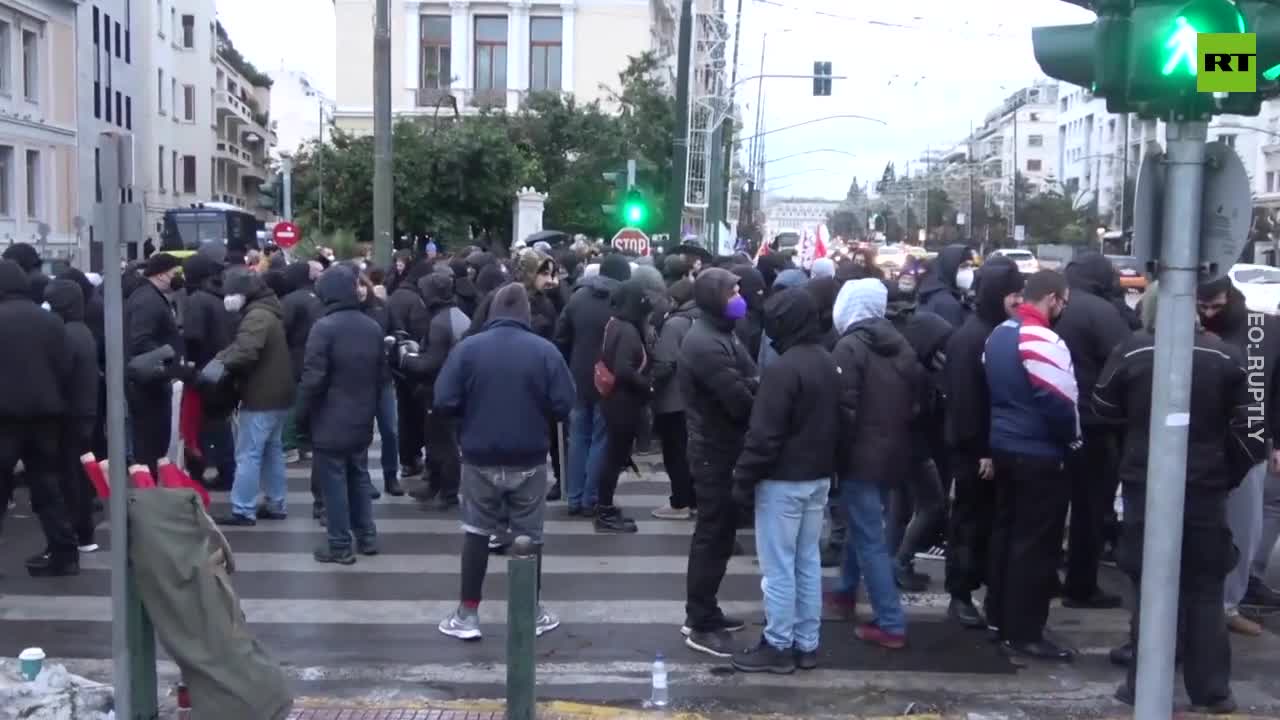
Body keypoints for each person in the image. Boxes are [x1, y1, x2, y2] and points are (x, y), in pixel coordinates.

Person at [1096, 282, 1264, 713]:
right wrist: (1224, 474)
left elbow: (1101, 410)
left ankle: (1142, 685)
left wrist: (1129, 454)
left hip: (1144, 486)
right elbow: (1253, 432)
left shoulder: (1132, 352)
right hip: (1205, 489)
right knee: (1206, 590)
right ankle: (1212, 691)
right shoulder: (1227, 356)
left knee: (1149, 586)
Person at [434, 283, 575, 640]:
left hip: (479, 455)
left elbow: (444, 399)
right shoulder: (545, 352)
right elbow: (563, 405)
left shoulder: (468, 349)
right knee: (529, 536)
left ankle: (468, 614)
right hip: (529, 456)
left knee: (477, 533)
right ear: (526, 314)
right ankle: (531, 612)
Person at [729, 288, 840, 674]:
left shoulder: (782, 369)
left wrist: (743, 480)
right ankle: (806, 643)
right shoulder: (827, 361)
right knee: (806, 562)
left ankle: (778, 644)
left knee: (778, 568)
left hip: (782, 480)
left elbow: (764, 436)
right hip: (817, 477)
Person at [984, 269, 1079, 661]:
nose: (1063, 310)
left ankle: (998, 616)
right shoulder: (1041, 338)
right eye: (1063, 302)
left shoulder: (999, 334)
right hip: (1039, 453)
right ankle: (1025, 631)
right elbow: (1059, 401)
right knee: (1035, 545)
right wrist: (1073, 440)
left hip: (1004, 445)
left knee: (1005, 533)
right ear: (1053, 298)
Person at [828, 278, 917, 649]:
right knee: (862, 525)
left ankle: (890, 622)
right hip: (891, 452)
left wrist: (834, 454)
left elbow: (842, 410)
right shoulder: (899, 343)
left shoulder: (848, 347)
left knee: (869, 537)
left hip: (859, 455)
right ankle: (845, 592)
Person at [942, 257, 1024, 629]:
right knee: (968, 524)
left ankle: (988, 587)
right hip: (975, 451)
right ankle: (960, 593)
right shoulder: (972, 337)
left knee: (989, 523)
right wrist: (980, 451)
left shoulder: (1000, 330)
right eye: (1012, 295)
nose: (1018, 302)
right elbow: (965, 402)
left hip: (997, 445)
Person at [679, 268, 758, 658]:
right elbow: (740, 399)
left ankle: (707, 609)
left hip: (725, 448)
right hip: (714, 452)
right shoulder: (705, 343)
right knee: (712, 535)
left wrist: (753, 384)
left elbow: (751, 378)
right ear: (713, 296)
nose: (739, 296)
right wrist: (754, 388)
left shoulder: (723, 333)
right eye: (733, 291)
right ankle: (699, 620)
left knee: (722, 534)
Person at [1053, 251, 1132, 610]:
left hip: (1052, 421)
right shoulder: (1102, 313)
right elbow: (1125, 364)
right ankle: (1081, 585)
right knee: (1090, 509)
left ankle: (1045, 575)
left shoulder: (1053, 304)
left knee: (1050, 506)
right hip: (1096, 426)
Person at [296, 267, 387, 564]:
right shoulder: (371, 326)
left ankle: (339, 545)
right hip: (362, 415)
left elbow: (313, 378)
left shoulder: (324, 328)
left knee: (333, 481)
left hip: (330, 416)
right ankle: (367, 536)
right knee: (359, 476)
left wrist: (301, 415)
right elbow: (380, 375)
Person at [0, 261, 76, 575]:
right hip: (47, 416)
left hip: (3, 417)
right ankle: (64, 552)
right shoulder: (50, 321)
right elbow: (65, 366)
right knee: (46, 484)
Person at [210, 269, 295, 526]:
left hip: (261, 394)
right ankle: (276, 503)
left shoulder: (256, 316)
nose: (228, 299)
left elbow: (245, 352)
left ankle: (242, 508)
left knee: (248, 453)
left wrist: (217, 364)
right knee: (272, 451)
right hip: (278, 394)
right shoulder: (268, 312)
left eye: (232, 293)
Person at [884, 280, 952, 592]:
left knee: (900, 508)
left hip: (899, 445)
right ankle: (899, 562)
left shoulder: (900, 358)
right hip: (913, 447)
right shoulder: (918, 373)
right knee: (932, 504)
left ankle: (894, 563)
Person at [554, 253, 631, 516]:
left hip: (578, 378)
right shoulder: (621, 302)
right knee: (601, 438)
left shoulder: (577, 297)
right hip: (608, 380)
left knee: (577, 438)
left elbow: (561, 336)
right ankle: (591, 497)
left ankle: (573, 498)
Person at [592, 279, 654, 533]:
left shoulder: (614, 323)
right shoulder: (628, 330)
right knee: (614, 458)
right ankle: (605, 510)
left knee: (613, 456)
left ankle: (605, 505)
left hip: (613, 402)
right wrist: (648, 386)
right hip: (623, 404)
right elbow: (624, 370)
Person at [44, 279, 102, 553]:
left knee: (69, 478)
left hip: (70, 415)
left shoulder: (66, 334)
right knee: (78, 475)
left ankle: (79, 533)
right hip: (85, 411)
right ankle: (84, 532)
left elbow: (60, 374)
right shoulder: (82, 331)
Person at [403, 272, 469, 509]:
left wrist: (406, 359)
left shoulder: (440, 322)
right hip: (450, 387)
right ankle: (435, 484)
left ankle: (448, 492)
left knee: (445, 443)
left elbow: (431, 362)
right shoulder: (455, 315)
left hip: (442, 389)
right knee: (436, 440)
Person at [180, 254, 237, 490]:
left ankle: (202, 470)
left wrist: (189, 365)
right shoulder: (222, 298)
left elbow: (193, 336)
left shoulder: (198, 300)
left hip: (206, 369)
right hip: (225, 368)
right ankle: (227, 470)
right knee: (221, 423)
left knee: (202, 424)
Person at [125, 252, 184, 468]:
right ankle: (147, 493)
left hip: (151, 380)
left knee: (152, 441)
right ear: (161, 275)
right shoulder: (148, 300)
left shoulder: (149, 296)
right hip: (148, 383)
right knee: (151, 442)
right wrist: (168, 355)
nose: (178, 277)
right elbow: (140, 340)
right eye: (174, 273)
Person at [650, 278, 698, 520]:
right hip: (695, 400)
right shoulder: (701, 319)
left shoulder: (675, 324)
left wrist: (650, 385)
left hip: (672, 399)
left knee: (674, 452)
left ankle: (680, 502)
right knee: (690, 452)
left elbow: (665, 362)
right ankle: (693, 498)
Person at [387, 259, 435, 479]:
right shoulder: (417, 300)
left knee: (404, 414)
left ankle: (407, 460)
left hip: (398, 364)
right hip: (416, 364)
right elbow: (421, 331)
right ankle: (419, 458)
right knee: (421, 414)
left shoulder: (395, 296)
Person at [356, 271, 401, 497]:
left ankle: (391, 476)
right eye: (356, 286)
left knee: (390, 430)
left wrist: (394, 342)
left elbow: (398, 330)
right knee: (362, 432)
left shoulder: (382, 307)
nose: (360, 290)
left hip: (383, 378)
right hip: (359, 380)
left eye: (363, 285)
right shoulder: (350, 312)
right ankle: (363, 480)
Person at [281, 261, 324, 465]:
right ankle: (305, 444)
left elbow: (283, 330)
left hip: (295, 357)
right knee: (309, 401)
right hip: (315, 356)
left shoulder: (290, 300)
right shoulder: (317, 298)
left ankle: (289, 446)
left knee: (292, 403)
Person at [917, 244, 976, 328]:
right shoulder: (947, 304)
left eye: (971, 266)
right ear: (950, 267)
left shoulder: (930, 289)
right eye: (964, 267)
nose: (969, 272)